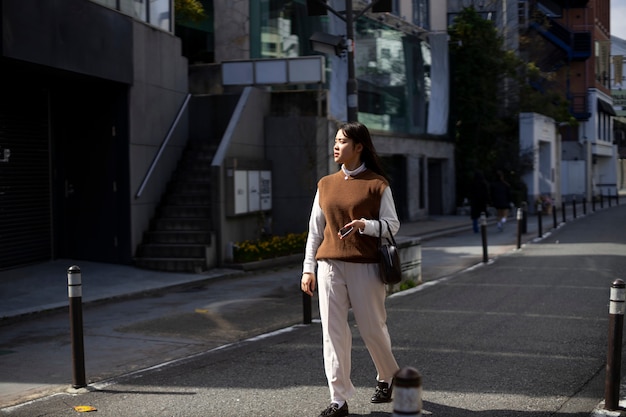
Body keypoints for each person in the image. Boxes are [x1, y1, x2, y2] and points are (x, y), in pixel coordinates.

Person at [301, 121, 400, 417]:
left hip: (366, 267)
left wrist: (365, 226)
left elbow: (392, 225)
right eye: (335, 141)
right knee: (332, 334)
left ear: (359, 147)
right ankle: (339, 399)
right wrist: (308, 269)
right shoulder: (325, 185)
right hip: (329, 266)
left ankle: (388, 375)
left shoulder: (377, 184)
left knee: (372, 329)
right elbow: (314, 232)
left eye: (342, 142)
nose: (335, 146)